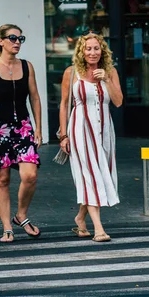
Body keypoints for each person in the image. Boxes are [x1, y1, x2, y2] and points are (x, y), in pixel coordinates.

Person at [58, 31, 123, 242]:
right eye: (88, 49)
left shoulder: (110, 71)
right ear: (81, 51)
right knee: (90, 175)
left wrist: (107, 80)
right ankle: (99, 228)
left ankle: (80, 218)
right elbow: (64, 104)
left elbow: (119, 101)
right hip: (80, 129)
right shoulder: (72, 73)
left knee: (100, 173)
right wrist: (63, 135)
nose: (92, 52)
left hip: (104, 131)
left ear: (102, 51)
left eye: (96, 48)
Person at [0, 24, 42, 243]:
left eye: (20, 39)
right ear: (1, 41)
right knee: (2, 179)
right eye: (12, 38)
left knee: (30, 175)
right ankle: (7, 226)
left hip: (23, 127)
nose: (17, 42)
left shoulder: (27, 66)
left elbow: (34, 97)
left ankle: (21, 214)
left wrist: (39, 128)